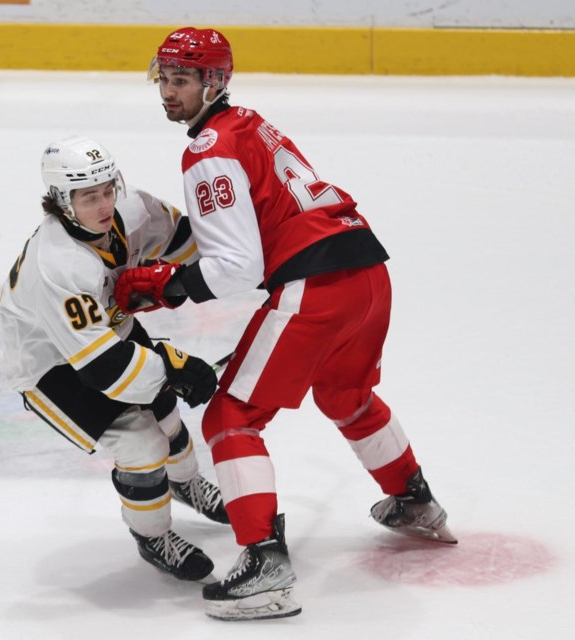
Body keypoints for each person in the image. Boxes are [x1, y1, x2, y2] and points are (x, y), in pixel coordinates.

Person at [115, 28, 456, 620]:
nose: (168, 91)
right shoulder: (249, 121)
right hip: (368, 272)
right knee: (346, 393)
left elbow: (237, 266)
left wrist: (165, 286)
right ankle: (414, 501)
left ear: (213, 82)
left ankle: (265, 566)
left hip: (317, 287)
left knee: (230, 416)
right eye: (164, 78)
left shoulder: (205, 150)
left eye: (182, 79)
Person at [0, 135, 230, 584]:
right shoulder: (59, 266)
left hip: (106, 331)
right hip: (50, 363)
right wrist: (175, 363)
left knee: (164, 409)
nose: (105, 205)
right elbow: (103, 369)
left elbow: (188, 243)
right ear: (62, 202)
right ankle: (153, 535)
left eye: (108, 190)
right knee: (141, 442)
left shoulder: (135, 211)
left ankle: (184, 483)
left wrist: (235, 272)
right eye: (89, 197)